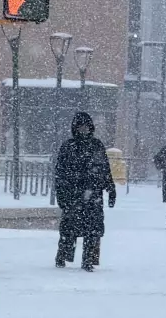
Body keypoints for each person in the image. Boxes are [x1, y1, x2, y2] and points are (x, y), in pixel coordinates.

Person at [54, 112, 116, 272]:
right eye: (81, 127)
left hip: (92, 195)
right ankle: (62, 256)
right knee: (68, 229)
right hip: (73, 195)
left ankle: (88, 259)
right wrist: (61, 194)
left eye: (86, 127)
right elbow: (60, 173)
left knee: (93, 230)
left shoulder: (97, 145)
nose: (84, 130)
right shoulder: (68, 146)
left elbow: (105, 169)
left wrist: (110, 188)